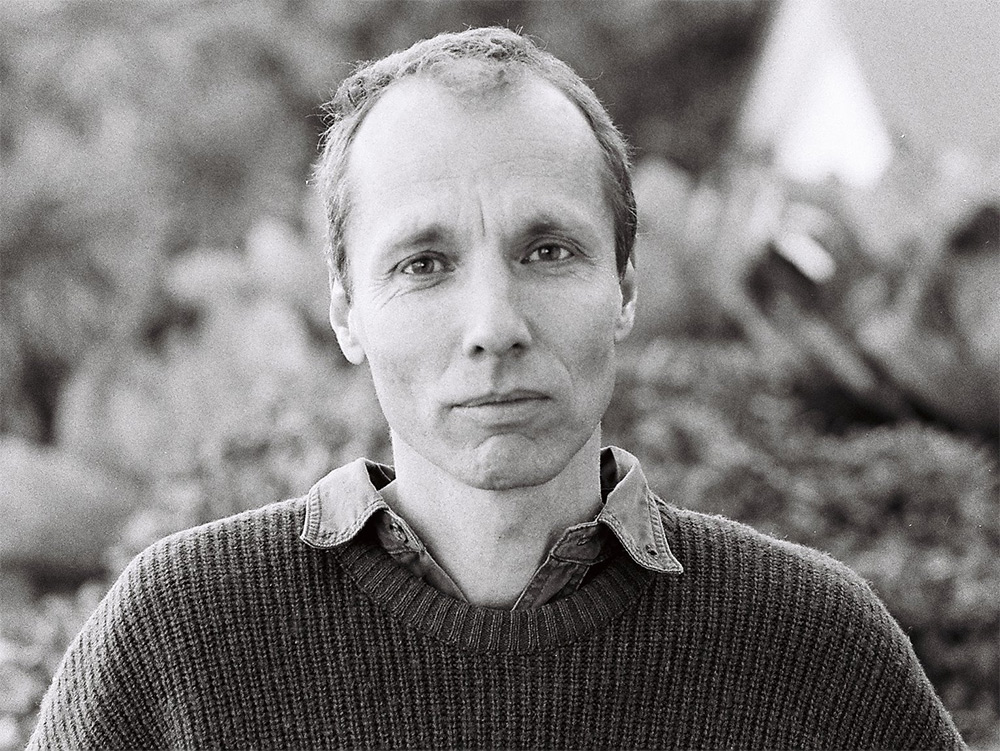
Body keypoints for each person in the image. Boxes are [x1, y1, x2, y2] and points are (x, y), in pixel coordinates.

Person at [29, 26, 965, 750]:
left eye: (547, 250)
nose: (493, 323)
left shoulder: (811, 648)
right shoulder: (179, 640)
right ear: (346, 311)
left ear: (625, 288)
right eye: (424, 263)